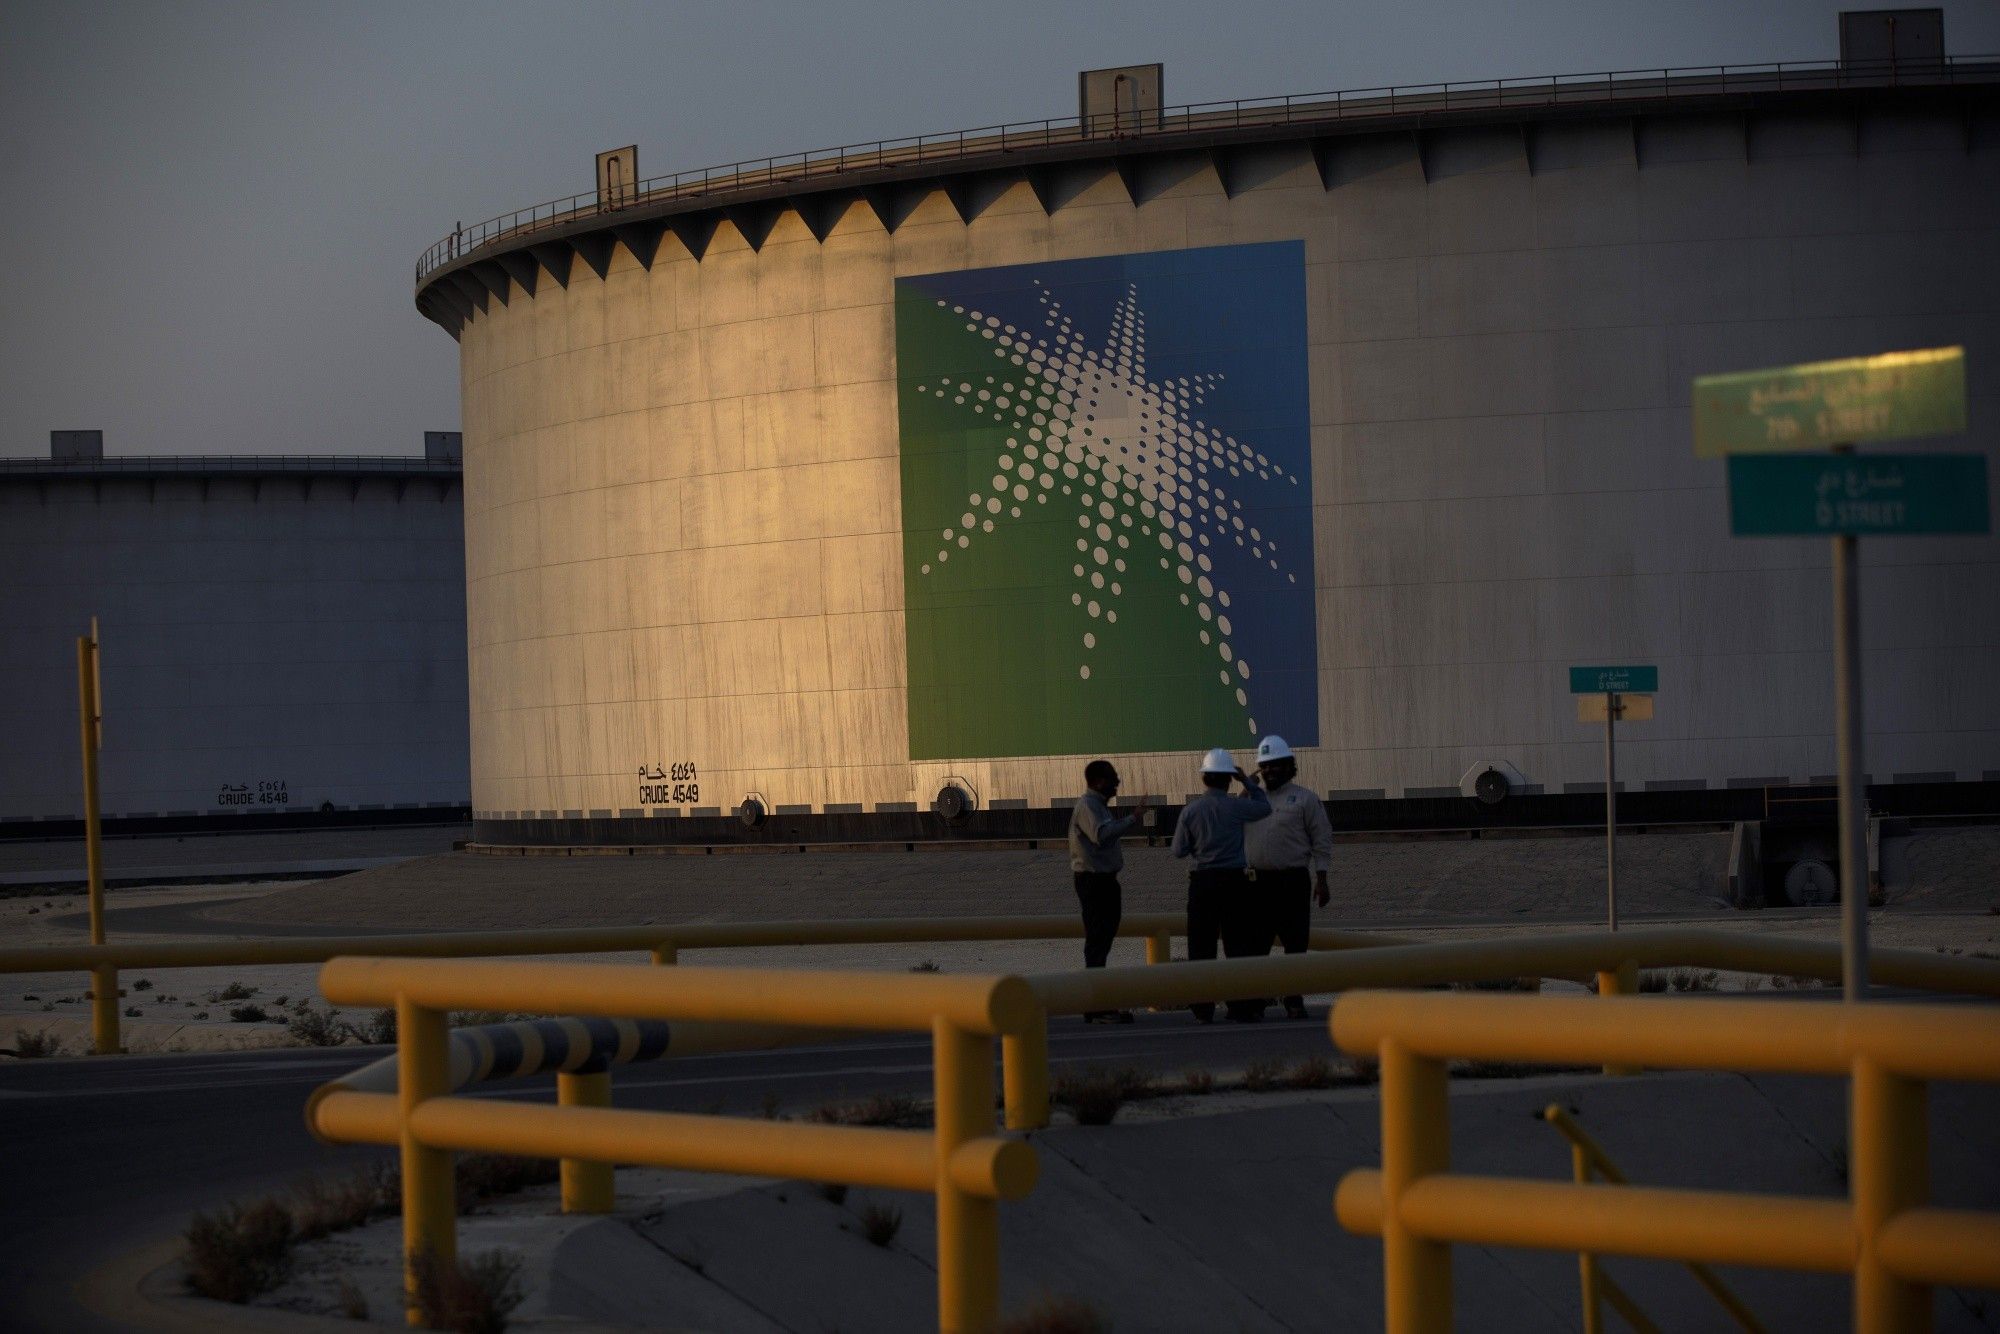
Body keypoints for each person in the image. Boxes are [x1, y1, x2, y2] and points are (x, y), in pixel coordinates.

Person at [1169, 747, 1271, 1022]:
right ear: (1229, 779)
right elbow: (1264, 807)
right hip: (1235, 882)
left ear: (1204, 779)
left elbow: (1178, 850)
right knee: (1238, 945)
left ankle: (1202, 1008)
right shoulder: (1237, 807)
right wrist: (1248, 783)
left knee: (1201, 946)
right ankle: (1240, 1006)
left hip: (1202, 882)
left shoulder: (1191, 811)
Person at [1246, 734, 1334, 1021]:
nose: (1269, 771)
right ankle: (1255, 1002)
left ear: (1288, 766)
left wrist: (1322, 879)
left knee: (1295, 945)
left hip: (1293, 882)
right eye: (1265, 766)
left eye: (1275, 765)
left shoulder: (1305, 799)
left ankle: (1294, 1000)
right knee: (1256, 947)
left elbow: (1321, 839)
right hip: (1257, 884)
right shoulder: (1251, 801)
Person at [1067, 759, 1147, 1023]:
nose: (1117, 783)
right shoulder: (1089, 807)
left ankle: (1097, 1003)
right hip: (1095, 882)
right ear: (1100, 781)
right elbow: (1102, 835)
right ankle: (1096, 1005)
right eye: (1113, 778)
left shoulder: (1095, 806)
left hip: (1101, 881)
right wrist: (1132, 819)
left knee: (1101, 938)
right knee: (1098, 939)